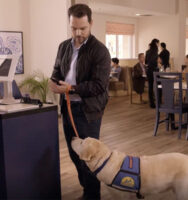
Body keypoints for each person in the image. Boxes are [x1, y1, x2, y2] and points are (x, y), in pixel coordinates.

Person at [49, 4, 111, 200]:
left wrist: (71, 88)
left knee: (89, 158)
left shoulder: (100, 51)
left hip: (88, 111)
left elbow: (99, 85)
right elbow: (57, 71)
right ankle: (88, 191)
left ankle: (93, 196)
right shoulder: (63, 46)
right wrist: (53, 81)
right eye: (74, 28)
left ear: (91, 24)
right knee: (75, 154)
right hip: (67, 108)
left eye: (82, 28)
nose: (78, 33)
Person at [145, 38, 159, 108]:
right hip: (155, 70)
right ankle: (158, 102)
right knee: (158, 86)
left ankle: (152, 103)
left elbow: (146, 62)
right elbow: (155, 62)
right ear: (156, 43)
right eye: (158, 43)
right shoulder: (156, 51)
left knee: (150, 86)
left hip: (148, 70)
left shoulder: (147, 51)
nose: (158, 45)